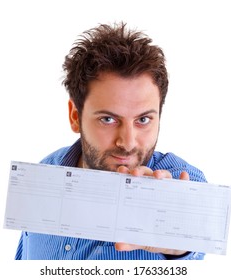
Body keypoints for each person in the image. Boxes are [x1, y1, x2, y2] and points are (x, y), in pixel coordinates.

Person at [15, 22, 206, 260]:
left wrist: (180, 245)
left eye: (143, 119)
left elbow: (194, 232)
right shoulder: (42, 175)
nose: (127, 142)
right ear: (75, 117)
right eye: (108, 119)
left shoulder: (182, 182)